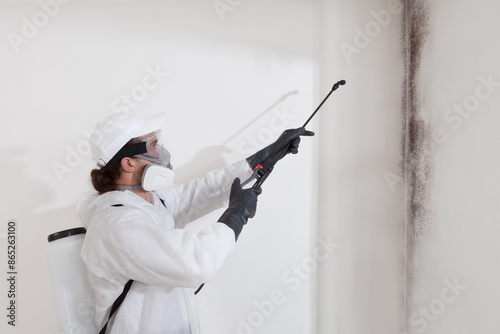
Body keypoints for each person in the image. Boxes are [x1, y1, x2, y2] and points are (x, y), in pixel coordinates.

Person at [77, 112, 313, 333]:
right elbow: (195, 263)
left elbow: (199, 193)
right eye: (153, 146)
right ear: (128, 163)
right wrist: (236, 215)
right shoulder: (116, 224)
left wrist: (262, 160)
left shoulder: (151, 199)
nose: (162, 152)